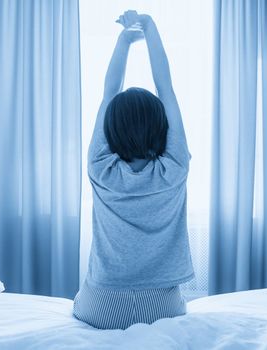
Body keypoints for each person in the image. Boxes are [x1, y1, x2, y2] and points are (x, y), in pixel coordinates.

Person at [73, 10, 194, 330]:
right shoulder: (175, 167)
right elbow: (165, 87)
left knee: (81, 299)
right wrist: (151, 25)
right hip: (162, 304)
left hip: (103, 303)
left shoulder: (101, 168)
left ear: (111, 131)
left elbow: (109, 93)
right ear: (161, 128)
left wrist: (125, 39)